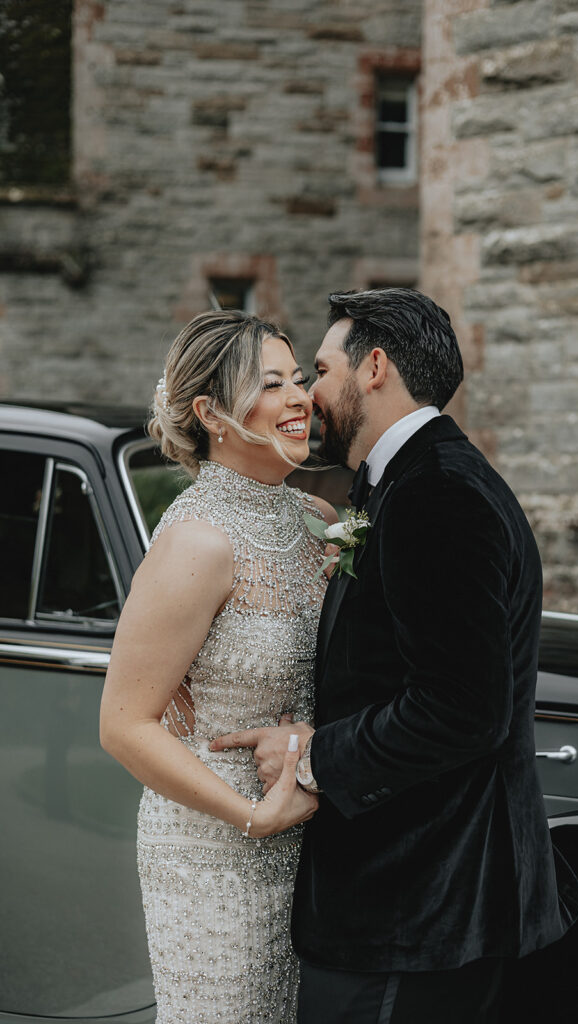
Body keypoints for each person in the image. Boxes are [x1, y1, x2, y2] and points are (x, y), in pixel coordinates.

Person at [212, 288, 578, 1024]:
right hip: (412, 900)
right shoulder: (404, 480)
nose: (310, 393)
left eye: (319, 370)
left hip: (415, 905)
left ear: (374, 367)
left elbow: (462, 709)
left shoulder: (436, 494)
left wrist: (313, 754)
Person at [99, 310, 336, 1024]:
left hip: (314, 840)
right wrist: (254, 816)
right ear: (211, 413)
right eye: (271, 384)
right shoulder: (196, 542)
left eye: (300, 379)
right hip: (214, 849)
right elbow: (124, 725)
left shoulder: (319, 521)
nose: (300, 397)